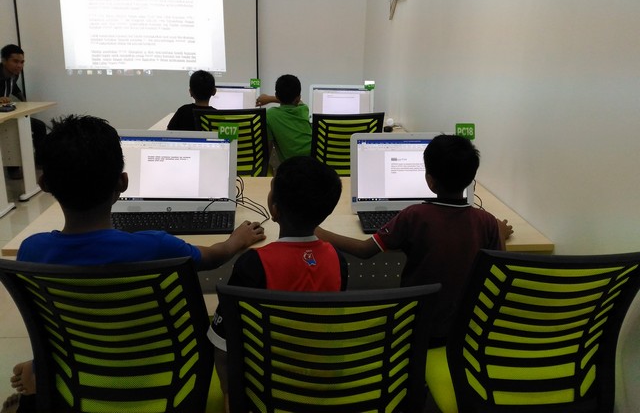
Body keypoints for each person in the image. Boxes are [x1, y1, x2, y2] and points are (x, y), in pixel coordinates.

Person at [8, 114, 266, 412]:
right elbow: (212, 257)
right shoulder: (156, 246)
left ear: (44, 184)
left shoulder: (32, 251)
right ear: (123, 182)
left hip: (78, 381)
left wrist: (39, 364)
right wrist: (236, 241)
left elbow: (50, 330)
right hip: (173, 383)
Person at [316, 134, 513, 347]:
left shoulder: (414, 215)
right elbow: (500, 265)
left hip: (416, 327)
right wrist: (499, 232)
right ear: (471, 179)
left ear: (430, 181)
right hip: (464, 333)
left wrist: (320, 232)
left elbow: (365, 250)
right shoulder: (487, 222)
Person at [208, 155, 347, 412]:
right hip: (320, 381)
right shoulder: (338, 260)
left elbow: (222, 346)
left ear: (274, 209)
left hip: (268, 385)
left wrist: (230, 396)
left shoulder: (253, 264)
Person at [1, 44, 47, 179]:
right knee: (10, 131)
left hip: (8, 114)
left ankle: (40, 161)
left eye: (22, 62)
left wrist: (25, 101)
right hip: (2, 119)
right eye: (15, 61)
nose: (19, 66)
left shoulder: (14, 75)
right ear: (4, 60)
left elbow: (14, 88)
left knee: (39, 126)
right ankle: (12, 168)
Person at [255, 74, 311, 163]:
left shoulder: (270, 115)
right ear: (299, 97)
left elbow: (267, 151)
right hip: (313, 163)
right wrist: (270, 98)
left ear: (276, 95)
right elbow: (299, 102)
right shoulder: (304, 109)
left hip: (291, 167)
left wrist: (268, 99)